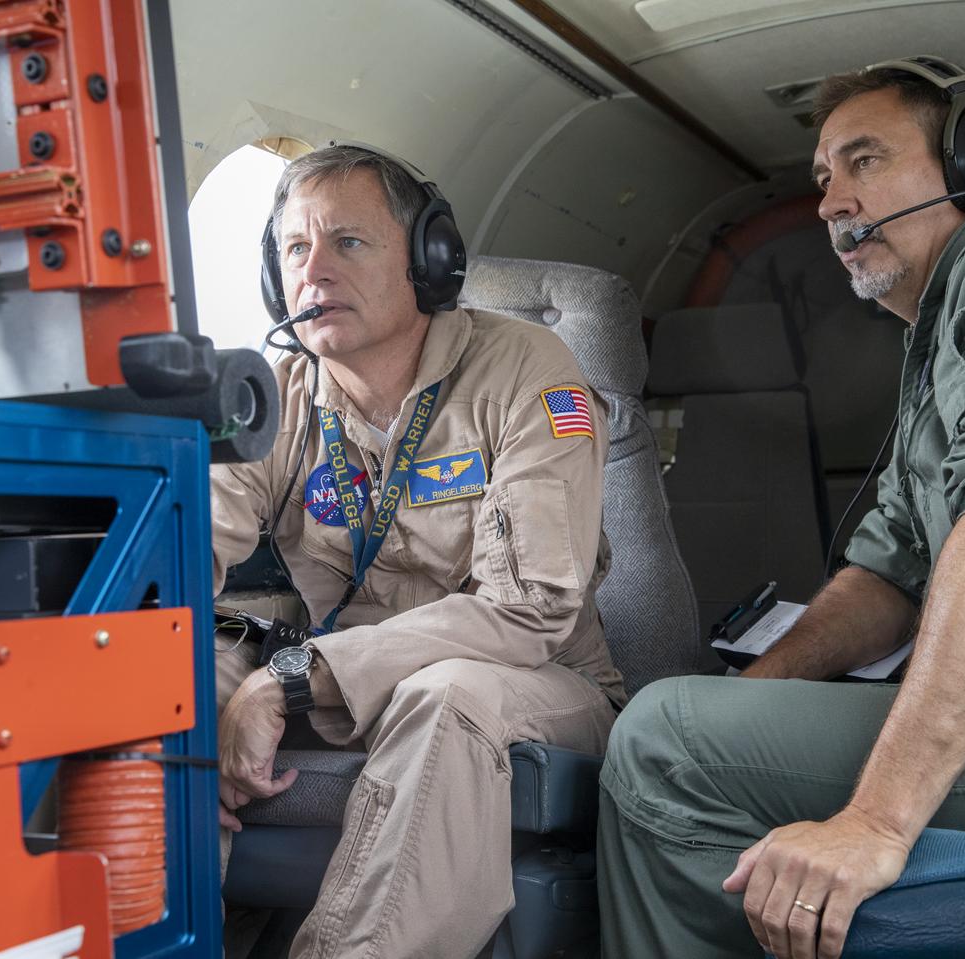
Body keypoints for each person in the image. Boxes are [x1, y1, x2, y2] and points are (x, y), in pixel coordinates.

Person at [597, 57, 965, 959]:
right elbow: (887, 575)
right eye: (823, 178)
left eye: (864, 160)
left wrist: (875, 820)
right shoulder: (944, 333)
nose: (831, 202)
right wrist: (750, 698)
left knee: (660, 745)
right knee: (693, 714)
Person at [210, 142, 624, 959]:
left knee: (445, 693)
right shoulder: (282, 392)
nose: (314, 271)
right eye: (295, 248)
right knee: (161, 670)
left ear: (430, 261)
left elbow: (530, 611)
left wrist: (293, 678)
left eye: (348, 242)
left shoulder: (526, 371)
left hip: (534, 681)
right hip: (350, 683)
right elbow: (183, 558)